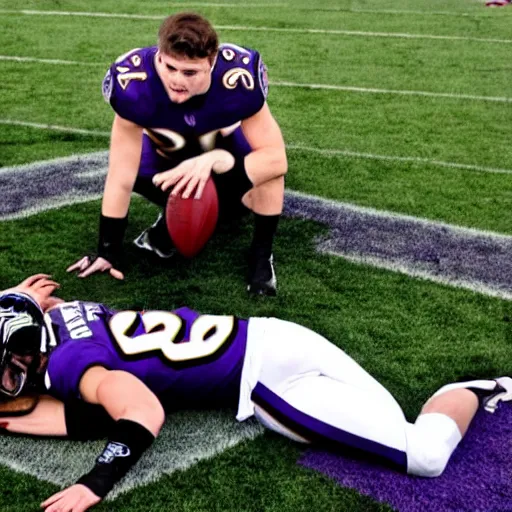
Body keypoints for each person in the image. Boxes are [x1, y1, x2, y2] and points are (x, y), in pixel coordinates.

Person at [1, 274, 511, 512]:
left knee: (424, 454)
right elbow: (97, 400)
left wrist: (97, 482)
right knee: (397, 424)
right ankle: (469, 389)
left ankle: (471, 386)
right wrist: (21, 298)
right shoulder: (64, 317)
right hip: (279, 335)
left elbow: (139, 412)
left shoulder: (68, 365)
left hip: (267, 383)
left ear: (25, 352)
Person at [66, 12, 287, 296]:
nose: (177, 80)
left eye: (190, 72)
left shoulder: (238, 80)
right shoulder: (133, 83)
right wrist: (107, 250)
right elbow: (120, 174)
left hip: (222, 152)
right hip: (165, 160)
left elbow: (276, 158)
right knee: (131, 169)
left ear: (212, 63)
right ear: (159, 56)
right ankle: (175, 217)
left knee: (268, 173)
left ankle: (261, 256)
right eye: (169, 67)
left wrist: (214, 162)